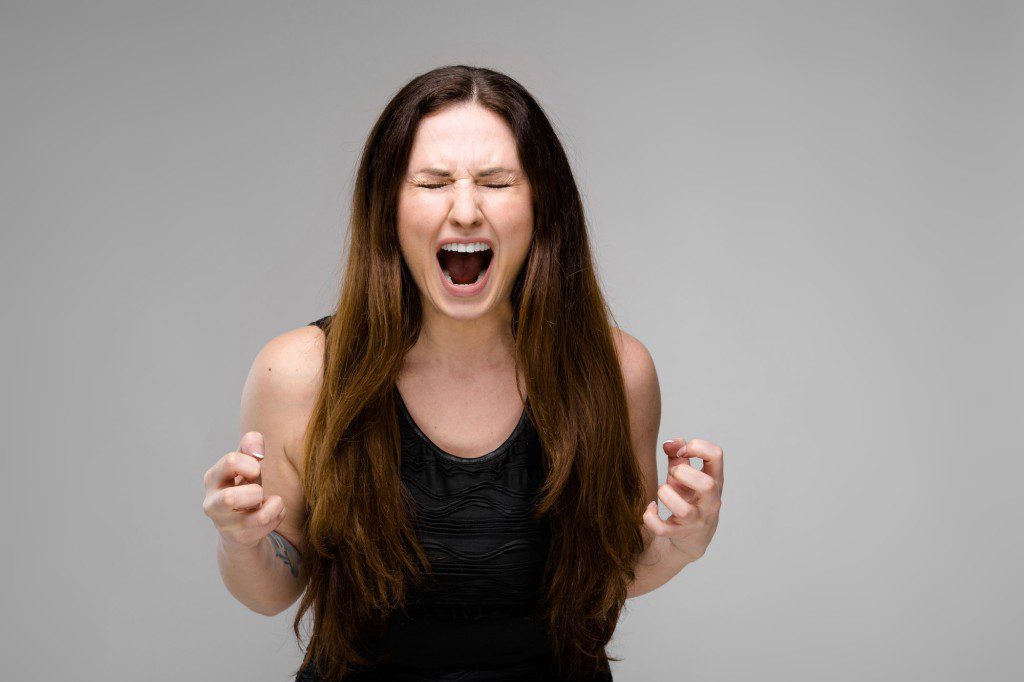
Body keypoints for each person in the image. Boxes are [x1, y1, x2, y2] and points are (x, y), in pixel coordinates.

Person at [202, 65, 724, 681]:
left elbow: (615, 571)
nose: (467, 210)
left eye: (497, 182)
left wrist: (678, 546)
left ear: (540, 208)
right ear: (389, 207)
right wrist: (243, 542)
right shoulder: (298, 371)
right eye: (432, 182)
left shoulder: (616, 371)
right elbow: (273, 590)